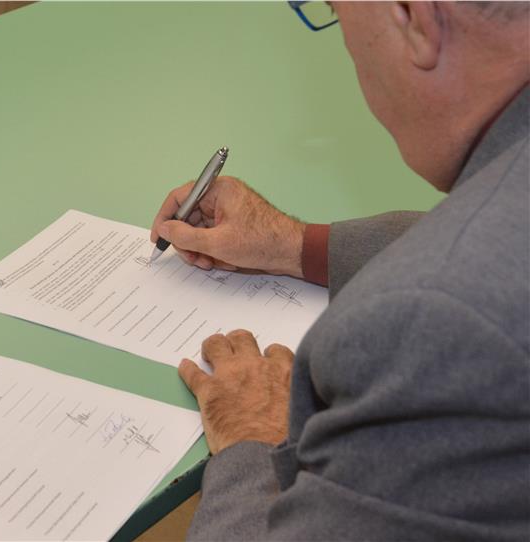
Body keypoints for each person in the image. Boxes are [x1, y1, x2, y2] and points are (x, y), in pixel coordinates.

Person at [149, 2, 529, 540]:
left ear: (414, 18)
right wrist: (295, 245)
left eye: (333, 9)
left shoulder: (434, 330)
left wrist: (255, 440)